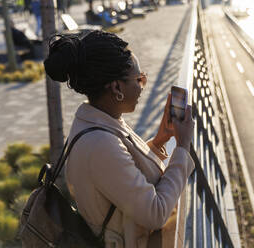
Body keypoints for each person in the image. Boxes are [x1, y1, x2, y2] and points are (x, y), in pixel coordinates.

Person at [43, 30, 195, 248]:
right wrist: (182, 147)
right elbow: (156, 212)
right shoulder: (100, 145)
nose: (143, 84)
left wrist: (160, 140)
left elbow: (125, 175)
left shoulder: (97, 121)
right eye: (139, 78)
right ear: (117, 88)